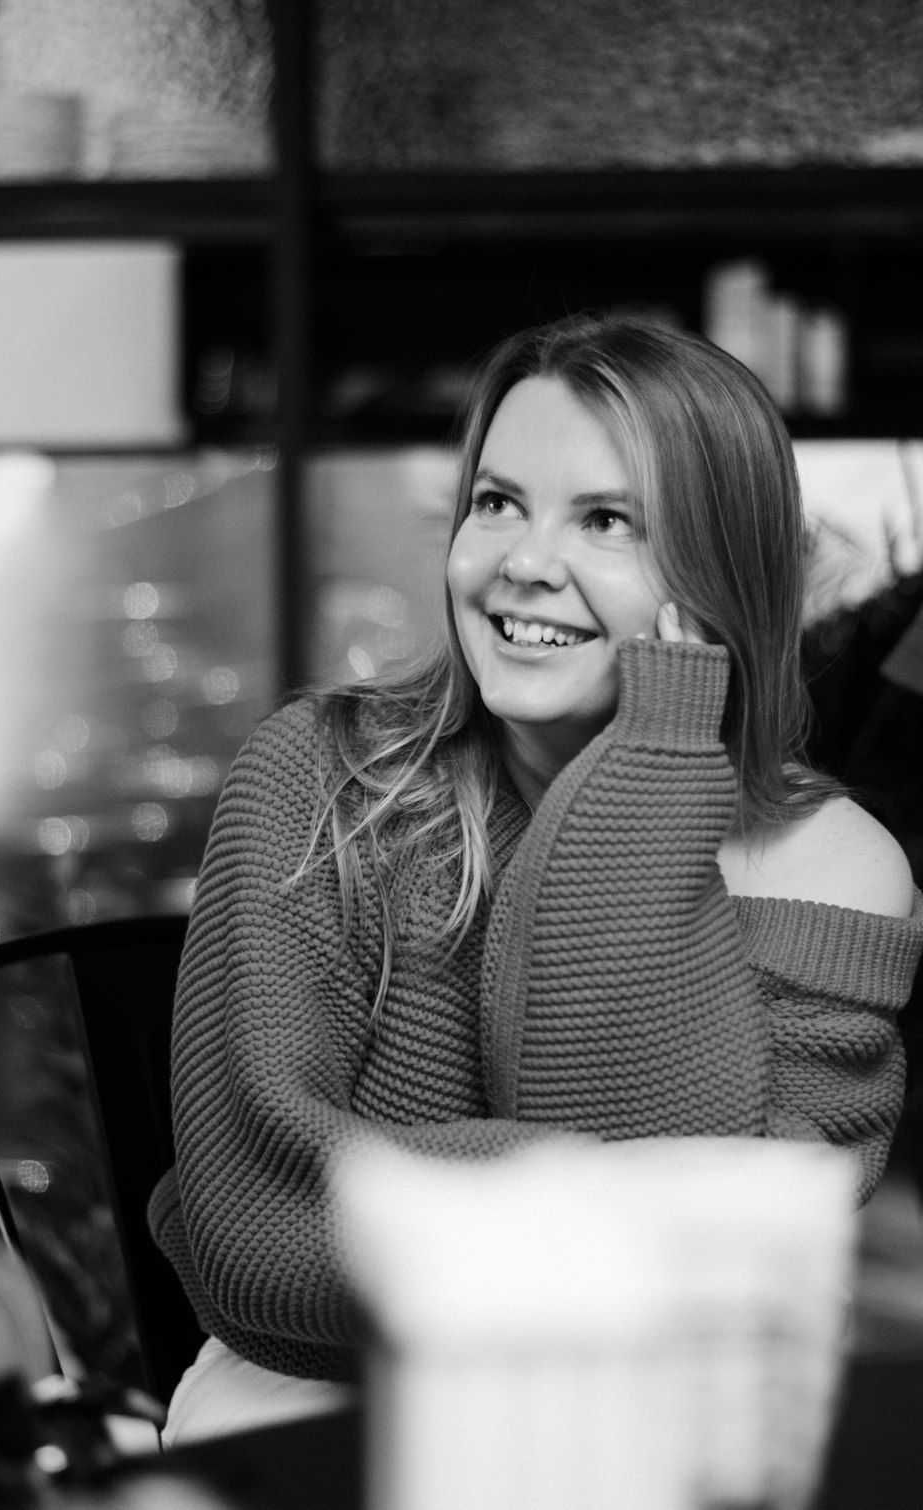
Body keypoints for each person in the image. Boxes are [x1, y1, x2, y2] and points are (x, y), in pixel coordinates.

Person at [148, 311, 923, 1444]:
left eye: (605, 519)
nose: (519, 561)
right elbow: (259, 1240)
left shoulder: (837, 864)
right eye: (496, 501)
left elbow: (720, 1300)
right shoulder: (317, 773)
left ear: (719, 572)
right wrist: (650, 1213)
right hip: (313, 1408)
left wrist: (657, 771)